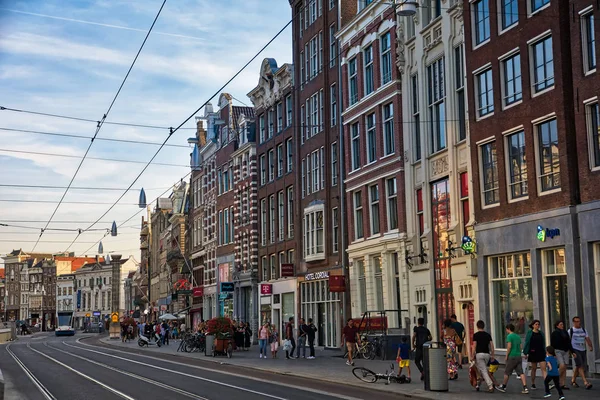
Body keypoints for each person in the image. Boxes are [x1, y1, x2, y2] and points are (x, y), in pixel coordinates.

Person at [495, 323, 529, 394]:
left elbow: (509, 346)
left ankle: (503, 386)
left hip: (512, 356)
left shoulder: (509, 336)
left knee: (507, 372)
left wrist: (507, 355)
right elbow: (520, 346)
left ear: (508, 329)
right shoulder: (517, 336)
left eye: (506, 329)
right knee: (521, 372)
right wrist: (520, 353)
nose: (506, 331)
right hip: (518, 355)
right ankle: (525, 387)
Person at [568, 316, 593, 389]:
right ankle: (585, 382)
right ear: (574, 322)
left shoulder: (583, 330)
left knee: (578, 365)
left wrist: (590, 346)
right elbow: (567, 341)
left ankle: (573, 380)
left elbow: (587, 338)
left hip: (583, 349)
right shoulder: (571, 331)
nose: (578, 323)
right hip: (575, 349)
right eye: (576, 321)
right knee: (580, 365)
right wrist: (570, 351)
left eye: (579, 321)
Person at [471, 320, 495, 392]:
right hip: (487, 354)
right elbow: (492, 345)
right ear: (483, 326)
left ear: (477, 326)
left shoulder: (476, 335)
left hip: (479, 354)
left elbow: (474, 346)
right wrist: (492, 355)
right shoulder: (488, 335)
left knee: (483, 370)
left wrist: (472, 355)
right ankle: (478, 385)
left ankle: (490, 385)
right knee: (482, 370)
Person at [524, 320, 547, 389]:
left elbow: (543, 343)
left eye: (538, 324)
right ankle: (533, 383)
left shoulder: (541, 333)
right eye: (536, 324)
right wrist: (525, 352)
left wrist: (545, 351)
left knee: (544, 368)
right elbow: (527, 343)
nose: (537, 326)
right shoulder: (530, 333)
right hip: (533, 352)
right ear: (533, 325)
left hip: (541, 352)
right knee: (534, 368)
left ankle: (547, 383)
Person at [550, 320, 572, 391]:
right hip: (558, 350)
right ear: (557, 325)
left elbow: (569, 342)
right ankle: (556, 377)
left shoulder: (565, 332)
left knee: (565, 366)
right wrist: (553, 353)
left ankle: (562, 384)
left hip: (566, 350)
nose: (562, 325)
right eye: (561, 324)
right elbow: (552, 343)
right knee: (562, 365)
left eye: (562, 324)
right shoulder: (554, 333)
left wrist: (572, 351)